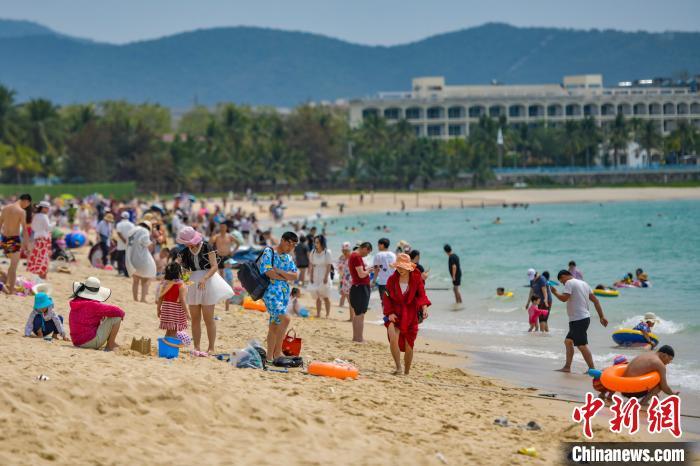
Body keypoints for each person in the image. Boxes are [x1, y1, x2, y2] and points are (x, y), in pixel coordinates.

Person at [175, 226, 233, 355]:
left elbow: (214, 267)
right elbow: (184, 271)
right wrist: (185, 279)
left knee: (208, 318)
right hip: (193, 283)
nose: (188, 245)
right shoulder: (184, 252)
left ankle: (211, 347)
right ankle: (197, 347)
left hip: (208, 281)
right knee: (195, 319)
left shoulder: (207, 247)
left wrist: (204, 278)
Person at [381, 253, 431, 375]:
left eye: (402, 267)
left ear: (408, 266)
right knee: (393, 338)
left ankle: (407, 372)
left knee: (409, 346)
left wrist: (424, 308)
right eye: (398, 266)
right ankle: (398, 367)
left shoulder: (416, 278)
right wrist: (390, 313)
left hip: (410, 315)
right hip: (395, 314)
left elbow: (421, 295)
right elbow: (386, 295)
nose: (400, 269)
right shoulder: (392, 280)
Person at [551, 270, 609, 372]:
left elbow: (564, 298)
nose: (563, 283)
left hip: (579, 319)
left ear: (564, 276)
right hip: (580, 318)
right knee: (568, 341)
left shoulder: (569, 282)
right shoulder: (584, 283)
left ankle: (592, 368)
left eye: (562, 281)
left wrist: (555, 292)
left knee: (581, 345)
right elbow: (596, 301)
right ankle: (567, 367)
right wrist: (601, 316)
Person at [259, 231, 299, 361]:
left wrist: (280, 272)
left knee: (274, 325)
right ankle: (278, 352)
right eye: (290, 244)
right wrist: (284, 276)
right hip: (270, 292)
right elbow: (268, 272)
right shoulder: (269, 251)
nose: (291, 248)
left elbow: (295, 276)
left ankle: (269, 357)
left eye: (294, 246)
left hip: (283, 294)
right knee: (286, 319)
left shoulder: (288, 257)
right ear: (283, 240)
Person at [68, 277, 124, 351]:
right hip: (90, 341)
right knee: (116, 317)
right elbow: (119, 312)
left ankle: (110, 343)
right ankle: (111, 344)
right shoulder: (93, 305)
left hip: (76, 341)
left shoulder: (76, 302)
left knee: (107, 316)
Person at [0, 193, 32, 294]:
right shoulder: (21, 211)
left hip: (5, 238)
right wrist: (26, 244)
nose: (26, 207)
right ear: (25, 201)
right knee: (13, 266)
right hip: (14, 239)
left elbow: (0, 224)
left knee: (11, 265)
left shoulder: (5, 208)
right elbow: (25, 230)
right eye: (27, 204)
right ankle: (11, 291)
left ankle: (8, 284)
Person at [157, 262, 191, 338]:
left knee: (169, 331)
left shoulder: (165, 284)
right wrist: (187, 313)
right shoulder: (181, 285)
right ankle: (171, 348)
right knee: (174, 332)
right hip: (175, 311)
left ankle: (165, 347)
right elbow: (182, 300)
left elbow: (160, 298)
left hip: (166, 310)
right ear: (179, 273)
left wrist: (158, 310)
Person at [126, 221, 157, 303]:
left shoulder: (131, 231)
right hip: (142, 259)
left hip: (132, 259)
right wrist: (153, 242)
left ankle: (135, 299)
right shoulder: (144, 231)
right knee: (145, 280)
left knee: (135, 281)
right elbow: (147, 245)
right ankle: (143, 299)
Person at [349, 242, 373, 342]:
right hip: (360, 287)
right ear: (364, 248)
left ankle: (356, 337)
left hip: (357, 286)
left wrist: (366, 270)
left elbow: (359, 272)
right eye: (367, 252)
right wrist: (369, 271)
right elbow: (361, 275)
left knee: (357, 314)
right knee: (360, 314)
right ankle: (359, 338)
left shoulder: (353, 255)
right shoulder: (357, 256)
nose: (366, 255)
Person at [309, 234, 333, 318]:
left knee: (326, 295)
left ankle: (327, 314)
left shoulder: (327, 252)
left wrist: (326, 277)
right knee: (317, 295)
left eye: (317, 242)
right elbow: (311, 264)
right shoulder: (313, 252)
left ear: (322, 243)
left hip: (324, 273)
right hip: (316, 273)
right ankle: (318, 313)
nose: (316, 244)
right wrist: (311, 276)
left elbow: (329, 265)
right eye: (315, 242)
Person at [27, 201, 52, 280]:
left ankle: (38, 275)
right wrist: (55, 223)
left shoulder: (35, 215)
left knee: (37, 256)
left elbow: (33, 228)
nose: (48, 210)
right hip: (44, 238)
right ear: (44, 208)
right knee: (44, 257)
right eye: (48, 208)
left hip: (37, 237)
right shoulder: (44, 216)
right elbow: (48, 228)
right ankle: (43, 276)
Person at [115, 212, 135, 277]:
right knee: (127, 259)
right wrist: (128, 241)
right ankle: (127, 272)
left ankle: (120, 271)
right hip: (129, 245)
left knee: (120, 259)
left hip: (120, 245)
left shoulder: (119, 224)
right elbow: (133, 234)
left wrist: (124, 240)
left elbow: (119, 233)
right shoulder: (132, 225)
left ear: (121, 217)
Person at [336, 242, 352, 317]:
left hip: (351, 281)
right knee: (347, 297)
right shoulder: (341, 258)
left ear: (349, 250)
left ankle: (352, 317)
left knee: (350, 300)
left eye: (346, 250)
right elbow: (339, 268)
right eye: (343, 250)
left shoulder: (352, 257)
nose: (345, 252)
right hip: (343, 280)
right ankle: (351, 317)